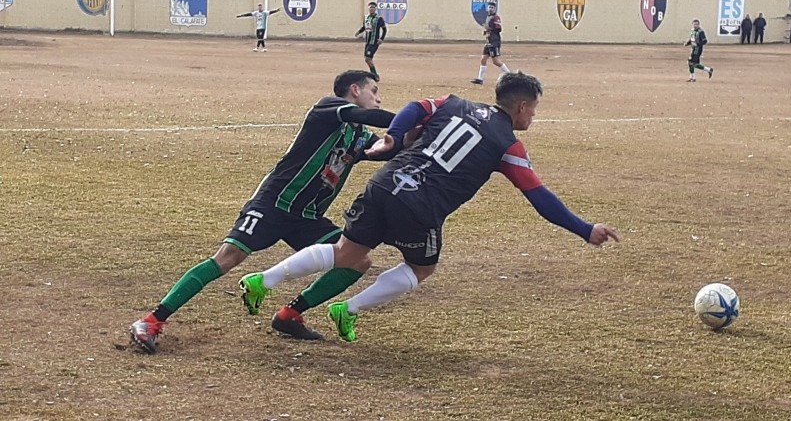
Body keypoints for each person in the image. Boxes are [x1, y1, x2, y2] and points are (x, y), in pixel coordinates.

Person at [239, 71, 620, 343]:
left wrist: (392, 138)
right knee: (422, 267)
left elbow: (415, 106)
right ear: (521, 107)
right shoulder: (508, 145)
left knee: (346, 253)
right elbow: (540, 198)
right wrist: (585, 230)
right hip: (419, 206)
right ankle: (348, 310)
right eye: (533, 110)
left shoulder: (453, 103)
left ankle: (263, 280)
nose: (533, 116)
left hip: (385, 182)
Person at [129, 70, 396, 353]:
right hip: (274, 203)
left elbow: (387, 149)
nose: (378, 99)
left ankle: (290, 315)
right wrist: (412, 118)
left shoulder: (359, 136)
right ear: (355, 90)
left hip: (307, 217)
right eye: (374, 92)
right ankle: (151, 321)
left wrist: (422, 136)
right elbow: (371, 117)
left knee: (357, 261)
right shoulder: (327, 109)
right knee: (229, 257)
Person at [470, 2, 511, 85]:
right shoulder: (488, 17)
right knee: (483, 59)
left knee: (496, 61)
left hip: (494, 41)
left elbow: (499, 29)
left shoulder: (496, 17)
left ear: (494, 8)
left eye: (492, 7)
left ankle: (510, 75)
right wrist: (486, 31)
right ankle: (480, 79)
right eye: (489, 7)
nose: (490, 9)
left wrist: (489, 28)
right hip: (489, 41)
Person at [355, 2, 387, 81]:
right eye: (370, 7)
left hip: (374, 42)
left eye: (373, 7)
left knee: (368, 58)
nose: (372, 9)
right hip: (367, 41)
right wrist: (359, 32)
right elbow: (364, 27)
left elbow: (384, 29)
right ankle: (373, 74)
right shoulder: (366, 17)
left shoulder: (379, 18)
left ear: (375, 9)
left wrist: (381, 39)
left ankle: (375, 75)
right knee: (367, 58)